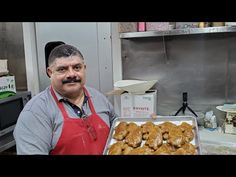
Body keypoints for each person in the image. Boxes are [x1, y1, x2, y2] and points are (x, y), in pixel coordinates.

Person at [13, 44, 117, 155]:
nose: (71, 74)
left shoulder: (98, 98)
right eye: (62, 69)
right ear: (50, 72)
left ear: (84, 68)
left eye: (77, 67)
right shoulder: (35, 113)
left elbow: (118, 131)